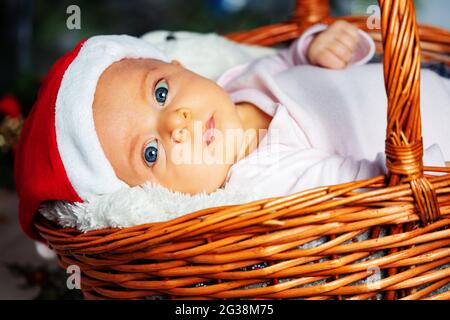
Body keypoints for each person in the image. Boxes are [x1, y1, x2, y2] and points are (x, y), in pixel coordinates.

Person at [14, 21, 450, 240]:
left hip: (424, 75)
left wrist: (315, 45)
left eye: (161, 93)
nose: (175, 123)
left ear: (178, 66)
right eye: (151, 153)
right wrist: (421, 171)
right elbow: (362, 186)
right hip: (434, 140)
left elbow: (286, 62)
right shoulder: (263, 179)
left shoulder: (235, 84)